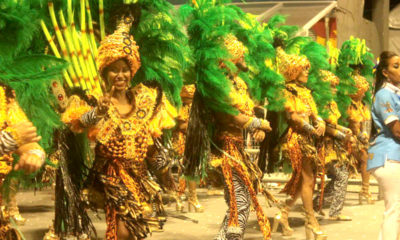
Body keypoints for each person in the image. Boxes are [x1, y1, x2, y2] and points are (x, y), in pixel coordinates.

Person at [62, 17, 178, 240]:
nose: (120, 75)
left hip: (140, 176)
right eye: (114, 70)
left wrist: (164, 172)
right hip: (112, 176)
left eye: (125, 69)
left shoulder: (145, 99)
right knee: (123, 230)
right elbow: (79, 123)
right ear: (106, 73)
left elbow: (152, 144)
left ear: (131, 71)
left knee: (135, 230)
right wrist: (98, 113)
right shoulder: (96, 100)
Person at [273, 47, 327, 240]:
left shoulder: (305, 91)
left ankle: (283, 213)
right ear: (294, 70)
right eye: (303, 68)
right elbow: (293, 116)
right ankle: (311, 222)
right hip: (297, 138)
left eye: (307, 69)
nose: (307, 72)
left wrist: (320, 122)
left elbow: (314, 113)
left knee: (302, 181)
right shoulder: (287, 90)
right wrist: (310, 128)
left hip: (309, 138)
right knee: (308, 179)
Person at [0, 84, 46, 239]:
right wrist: (8, 139)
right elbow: (14, 136)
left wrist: (34, 156)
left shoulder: (5, 98)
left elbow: (31, 144)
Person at [313, 70, 354, 221]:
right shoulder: (319, 103)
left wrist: (344, 129)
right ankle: (331, 211)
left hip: (334, 146)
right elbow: (323, 127)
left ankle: (315, 204)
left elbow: (333, 124)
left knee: (341, 176)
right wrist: (342, 135)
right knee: (341, 176)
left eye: (336, 86)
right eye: (332, 86)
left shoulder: (331, 103)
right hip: (323, 146)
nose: (335, 89)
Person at [368, 51, 400, 240]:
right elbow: (396, 129)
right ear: (385, 73)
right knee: (394, 209)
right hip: (389, 156)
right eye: (396, 66)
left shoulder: (395, 93)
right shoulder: (384, 95)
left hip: (395, 156)